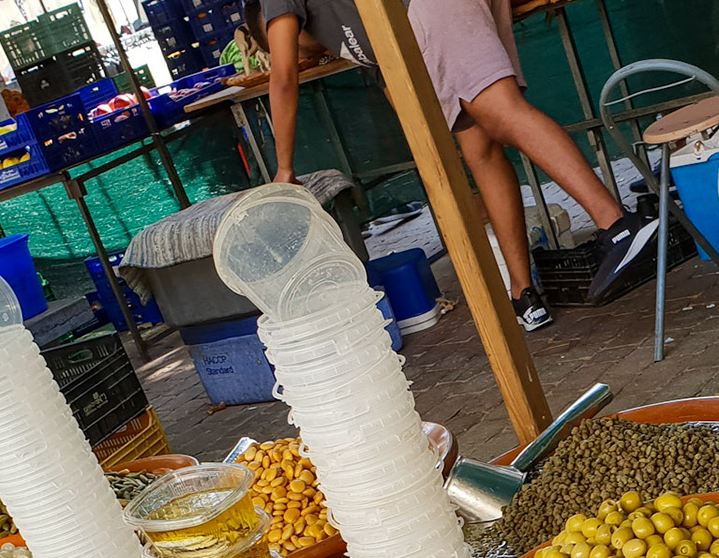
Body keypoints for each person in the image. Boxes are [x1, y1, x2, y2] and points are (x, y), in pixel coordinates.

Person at [245, 0, 659, 331]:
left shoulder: (277, 6)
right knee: (481, 150)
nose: (303, 52)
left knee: (503, 111)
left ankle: (618, 225)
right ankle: (523, 292)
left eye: (292, 42)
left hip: (432, 10)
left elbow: (282, 78)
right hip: (430, 20)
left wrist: (284, 167)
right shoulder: (347, 28)